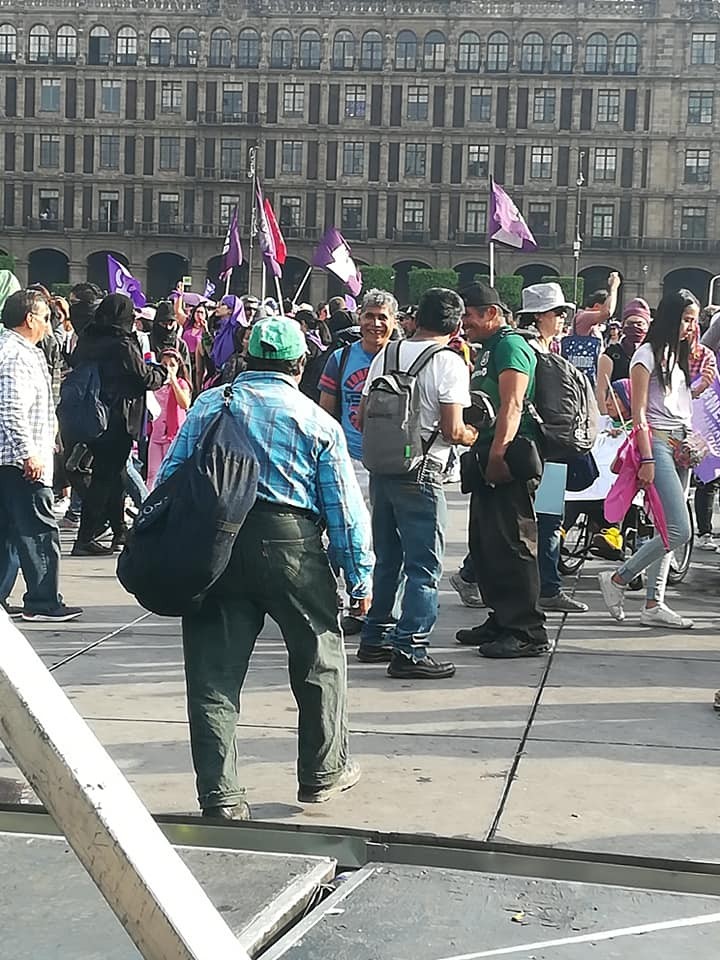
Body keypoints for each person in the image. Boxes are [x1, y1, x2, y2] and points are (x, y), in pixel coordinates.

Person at [156, 316, 373, 818]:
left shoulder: (213, 404)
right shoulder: (316, 420)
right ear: (300, 365)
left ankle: (221, 794)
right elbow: (343, 508)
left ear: (247, 358)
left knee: (212, 675)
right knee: (319, 659)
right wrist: (357, 574)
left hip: (217, 545)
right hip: (292, 545)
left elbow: (169, 478)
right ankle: (322, 772)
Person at [357, 288, 477, 679]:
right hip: (422, 470)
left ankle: (375, 635)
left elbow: (360, 414)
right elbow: (452, 428)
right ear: (456, 325)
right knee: (424, 564)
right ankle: (410, 648)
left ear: (413, 318)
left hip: (382, 467)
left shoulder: (386, 355)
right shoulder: (449, 363)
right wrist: (473, 434)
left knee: (388, 557)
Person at [455, 282, 549, 659]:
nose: (465, 322)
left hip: (509, 458)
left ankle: (526, 630)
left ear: (492, 313)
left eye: (470, 315)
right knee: (486, 542)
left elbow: (512, 405)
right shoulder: (488, 349)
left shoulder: (510, 346)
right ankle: (501, 617)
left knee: (514, 544)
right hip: (487, 455)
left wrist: (498, 455)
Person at [598, 289, 698, 629]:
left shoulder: (676, 356)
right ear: (671, 318)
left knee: (666, 527)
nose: (691, 327)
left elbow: (675, 404)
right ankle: (619, 579)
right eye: (686, 320)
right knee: (679, 530)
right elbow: (638, 413)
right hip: (657, 444)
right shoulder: (647, 355)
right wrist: (646, 457)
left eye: (694, 321)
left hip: (680, 446)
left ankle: (654, 602)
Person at [0, 290, 82, 621]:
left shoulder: (20, 350)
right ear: (30, 318)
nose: (50, 325)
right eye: (46, 318)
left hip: (16, 458)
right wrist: (28, 453)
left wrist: (50, 438)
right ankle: (43, 601)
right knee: (39, 530)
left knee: (7, 532)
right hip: (20, 461)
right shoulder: (14, 354)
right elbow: (10, 408)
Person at [69, 294, 167, 556]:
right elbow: (144, 377)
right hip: (118, 417)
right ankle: (86, 537)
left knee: (113, 476)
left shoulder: (89, 337)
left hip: (91, 414)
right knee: (106, 477)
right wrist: (163, 372)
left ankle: (119, 530)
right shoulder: (122, 342)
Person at [516, 283, 588, 615]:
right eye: (559, 312)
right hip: (541, 449)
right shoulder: (531, 352)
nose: (563, 318)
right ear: (541, 315)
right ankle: (549, 588)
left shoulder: (543, 349)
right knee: (543, 518)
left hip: (548, 449)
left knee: (542, 518)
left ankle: (548, 586)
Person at [319, 289, 398, 499]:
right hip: (350, 460)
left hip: (393, 462)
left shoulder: (404, 359)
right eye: (370, 316)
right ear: (360, 317)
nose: (376, 323)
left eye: (383, 317)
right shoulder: (340, 358)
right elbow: (325, 413)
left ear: (394, 321)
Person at [146, 347, 192, 490]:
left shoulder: (182, 383)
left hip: (173, 435)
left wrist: (174, 383)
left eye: (172, 365)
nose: (168, 368)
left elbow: (185, 403)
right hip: (156, 434)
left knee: (170, 475)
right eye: (164, 364)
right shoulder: (156, 384)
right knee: (152, 473)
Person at [596, 299, 651, 405]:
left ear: (647, 326)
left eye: (639, 324)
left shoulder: (653, 353)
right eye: (630, 323)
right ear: (623, 325)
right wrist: (605, 418)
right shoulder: (611, 353)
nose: (635, 327)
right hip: (617, 416)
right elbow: (601, 391)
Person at [574, 272, 621, 339]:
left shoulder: (583, 316)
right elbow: (607, 312)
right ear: (597, 306)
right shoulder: (585, 316)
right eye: (605, 305)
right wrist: (613, 288)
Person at [149, 301, 191, 371]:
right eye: (164, 323)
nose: (167, 327)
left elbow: (186, 371)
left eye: (171, 324)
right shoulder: (147, 341)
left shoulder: (180, 344)